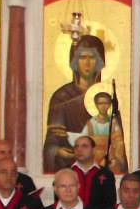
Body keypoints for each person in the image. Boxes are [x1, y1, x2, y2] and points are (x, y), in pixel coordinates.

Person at [42, 35, 104, 172]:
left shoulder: (107, 96)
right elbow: (52, 143)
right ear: (75, 61)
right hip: (69, 167)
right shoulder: (62, 97)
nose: (87, 63)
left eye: (92, 57)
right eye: (82, 57)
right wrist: (58, 151)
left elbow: (116, 138)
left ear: (99, 62)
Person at [79, 91, 127, 174]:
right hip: (94, 157)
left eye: (106, 103)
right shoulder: (90, 123)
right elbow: (83, 141)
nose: (103, 106)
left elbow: (119, 141)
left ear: (109, 105)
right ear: (96, 105)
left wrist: (115, 158)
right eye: (100, 103)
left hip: (111, 157)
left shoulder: (113, 122)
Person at [70, 134, 116, 209]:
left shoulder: (106, 174)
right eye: (76, 146)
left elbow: (110, 204)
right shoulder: (66, 173)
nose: (79, 149)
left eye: (84, 146)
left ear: (93, 150)